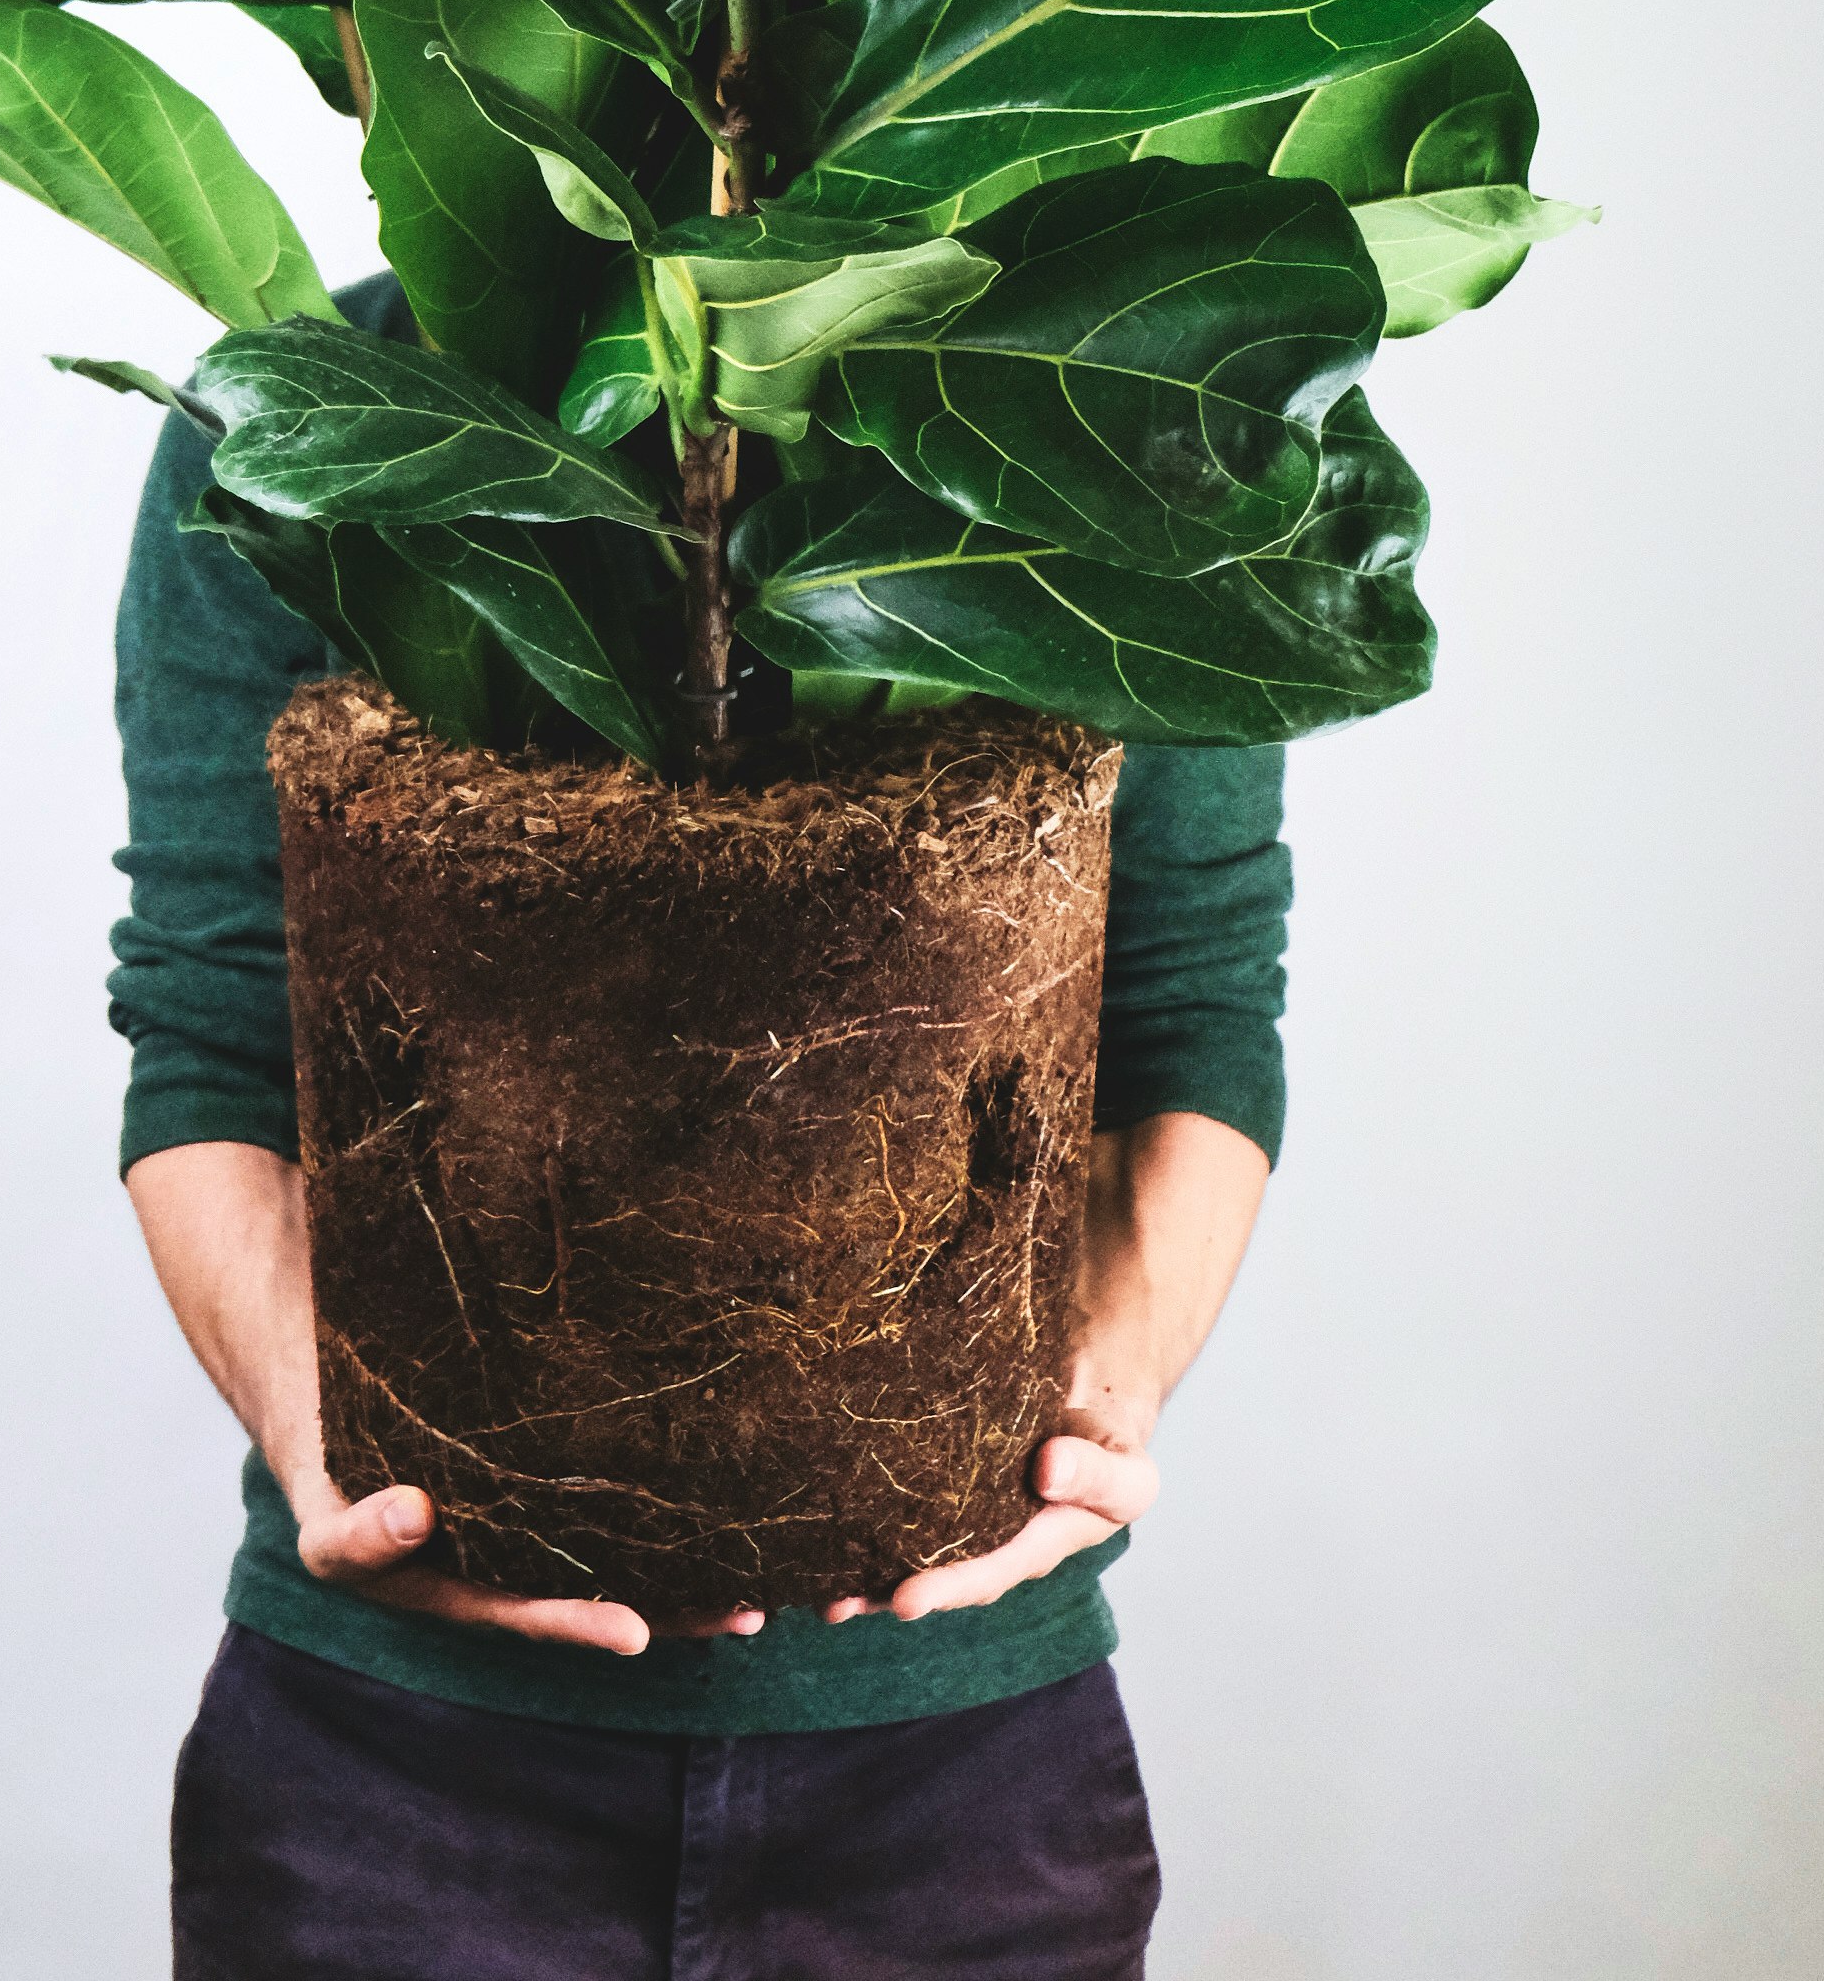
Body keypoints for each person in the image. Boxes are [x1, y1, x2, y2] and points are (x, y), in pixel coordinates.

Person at [112, 281, 1293, 1979]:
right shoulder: (299, 414)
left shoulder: (1103, 417)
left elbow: (1190, 1006)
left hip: (957, 1791)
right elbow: (214, 1027)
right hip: (393, 1785)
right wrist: (322, 1443)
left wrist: (1109, 1386)